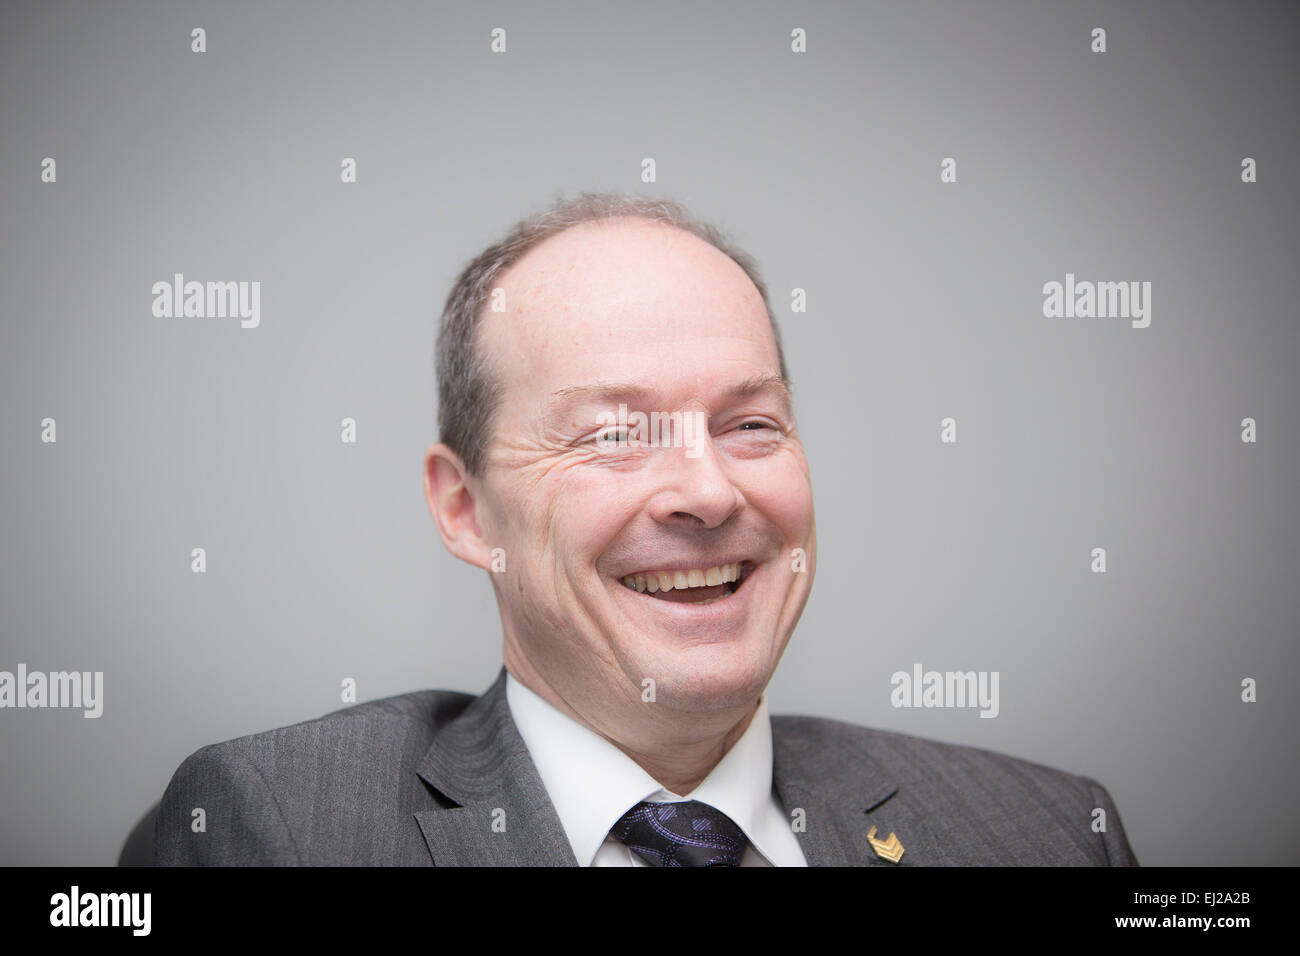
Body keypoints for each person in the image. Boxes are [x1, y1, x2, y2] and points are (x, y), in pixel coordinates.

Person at [152, 192, 1138, 866]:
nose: (706, 492)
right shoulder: (283, 823)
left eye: (750, 423)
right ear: (465, 508)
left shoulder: (1047, 832)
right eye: (618, 435)